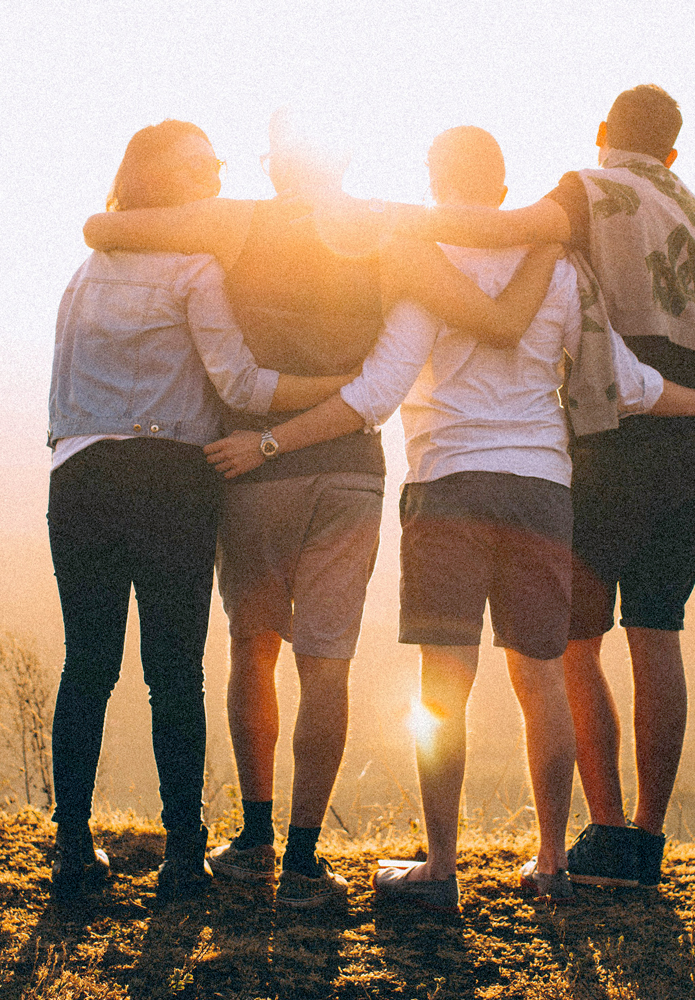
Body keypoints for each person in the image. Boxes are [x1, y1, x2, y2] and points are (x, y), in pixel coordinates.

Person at [205, 125, 695, 910]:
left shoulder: (424, 265)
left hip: (447, 486)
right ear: (501, 189)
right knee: (542, 682)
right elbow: (626, 382)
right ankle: (553, 863)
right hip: (542, 492)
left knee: (443, 688)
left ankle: (442, 868)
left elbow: (377, 394)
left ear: (433, 180)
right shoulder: (559, 270)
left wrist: (270, 440)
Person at [81, 110, 562, 909]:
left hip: (251, 467)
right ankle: (305, 859)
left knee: (253, 648)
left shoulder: (233, 225)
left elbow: (105, 229)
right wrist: (547, 240)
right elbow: (495, 321)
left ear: (275, 167)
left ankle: (256, 837)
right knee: (326, 663)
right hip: (349, 471)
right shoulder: (389, 235)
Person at [391, 85, 695, 888]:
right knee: (658, 634)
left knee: (570, 648)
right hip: (689, 445)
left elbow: (509, 232)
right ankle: (644, 843)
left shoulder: (589, 191)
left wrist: (391, 221)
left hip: (611, 439)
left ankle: (602, 834)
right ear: (674, 152)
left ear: (601, 133)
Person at [46, 119, 350, 905]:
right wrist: (340, 389)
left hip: (78, 476)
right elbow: (243, 388)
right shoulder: (194, 268)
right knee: (173, 673)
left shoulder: (85, 272)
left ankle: (72, 849)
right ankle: (184, 857)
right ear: (166, 181)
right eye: (202, 164)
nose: (217, 172)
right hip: (171, 479)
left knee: (88, 666)